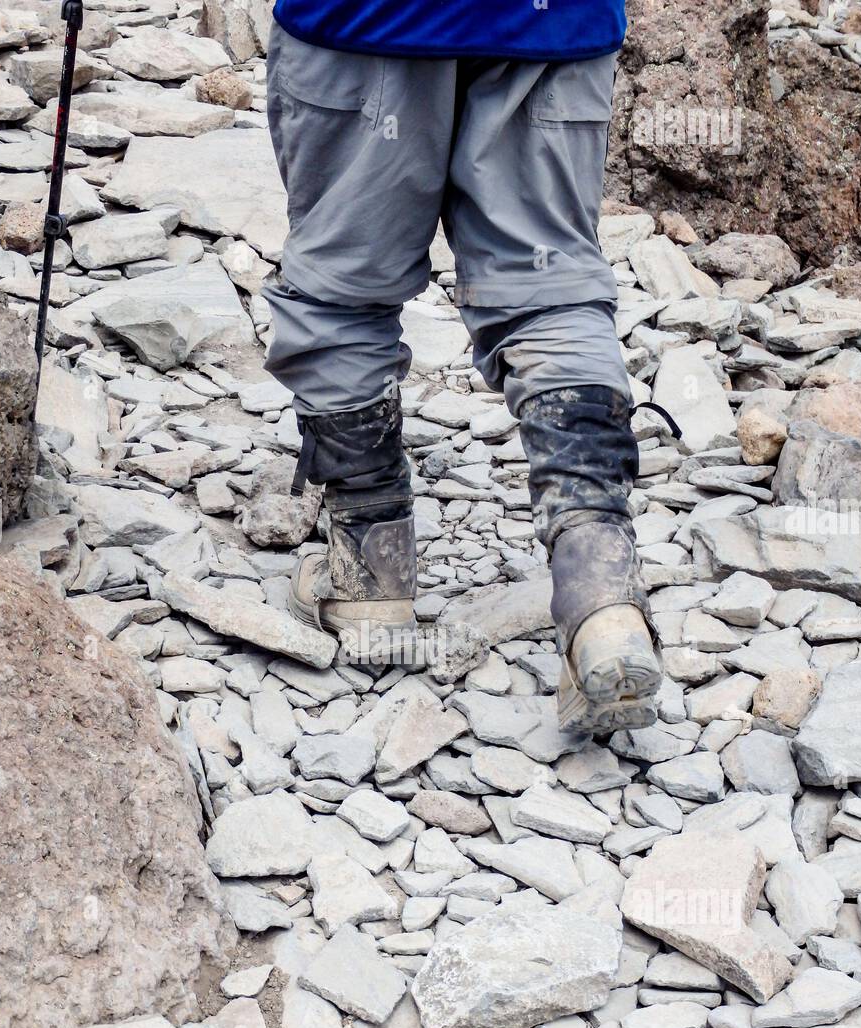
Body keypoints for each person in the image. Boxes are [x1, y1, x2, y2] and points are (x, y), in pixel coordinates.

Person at [262, 0, 676, 732]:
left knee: (341, 285)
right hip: (552, 24)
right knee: (547, 290)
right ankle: (598, 592)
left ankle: (371, 573)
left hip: (364, 20)